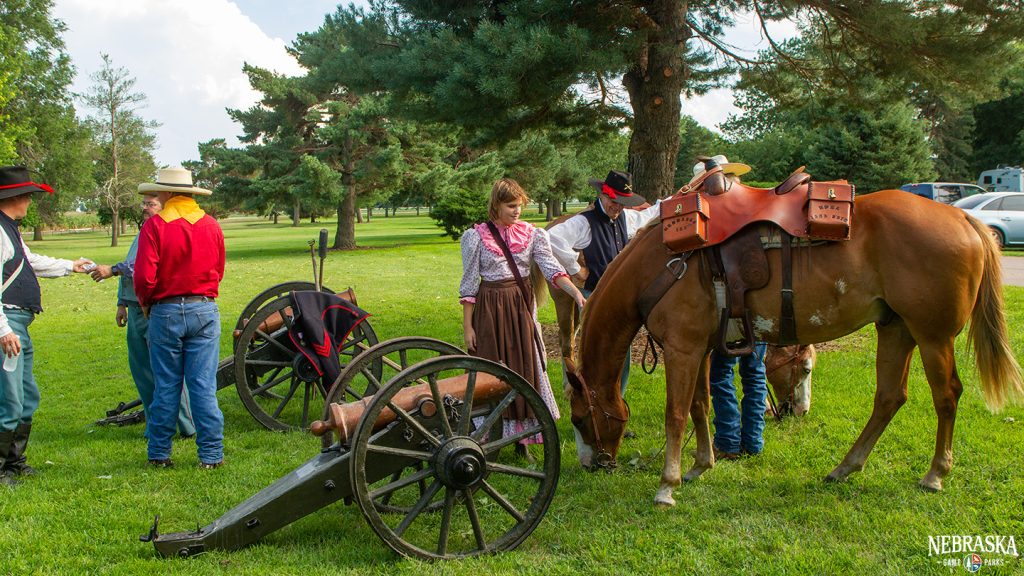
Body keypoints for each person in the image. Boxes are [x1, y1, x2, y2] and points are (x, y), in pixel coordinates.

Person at [459, 178, 585, 461]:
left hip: (521, 310)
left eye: (520, 206)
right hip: (490, 310)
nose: (517, 211)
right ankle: (490, 436)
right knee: (491, 370)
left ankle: (523, 439)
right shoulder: (476, 237)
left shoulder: (532, 234)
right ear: (496, 205)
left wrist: (576, 294)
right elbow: (469, 284)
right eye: (510, 206)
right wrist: (468, 327)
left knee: (525, 369)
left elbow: (552, 269)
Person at [0, 166, 93, 486]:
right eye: (26, 194)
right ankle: (2, 469)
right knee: (9, 398)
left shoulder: (10, 228)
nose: (29, 200)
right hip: (7, 324)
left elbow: (29, 262)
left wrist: (71, 266)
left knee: (26, 396)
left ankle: (15, 462)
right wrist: (3, 330)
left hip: (18, 324)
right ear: (13, 197)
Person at [133, 167, 225, 469]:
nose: (156, 196)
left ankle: (159, 453)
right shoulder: (212, 225)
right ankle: (210, 455)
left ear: (169, 194)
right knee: (202, 385)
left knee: (166, 385)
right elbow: (219, 268)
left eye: (158, 191)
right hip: (204, 307)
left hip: (166, 310)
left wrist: (146, 304)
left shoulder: (156, 226)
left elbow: (144, 276)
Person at [89, 193, 195, 440]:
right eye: (144, 203)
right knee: (143, 372)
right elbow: (131, 266)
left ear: (163, 207)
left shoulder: (165, 230)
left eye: (151, 204)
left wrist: (112, 270)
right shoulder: (145, 229)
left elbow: (140, 268)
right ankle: (156, 424)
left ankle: (188, 426)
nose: (145, 208)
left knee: (166, 372)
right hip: (135, 309)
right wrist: (121, 304)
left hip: (154, 310)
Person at [547, 170, 661, 395]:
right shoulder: (584, 222)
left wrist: (685, 193)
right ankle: (589, 402)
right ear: (601, 196)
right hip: (595, 297)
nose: (616, 207)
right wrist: (575, 269)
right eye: (612, 201)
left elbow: (652, 213)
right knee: (595, 355)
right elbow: (551, 238)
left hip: (619, 300)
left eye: (621, 202)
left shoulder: (626, 218)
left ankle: (616, 403)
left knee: (621, 354)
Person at [692, 155, 769, 459]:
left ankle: (727, 440)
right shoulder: (755, 211)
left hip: (729, 306)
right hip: (762, 304)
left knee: (723, 372)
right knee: (755, 371)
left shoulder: (716, 216)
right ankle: (753, 440)